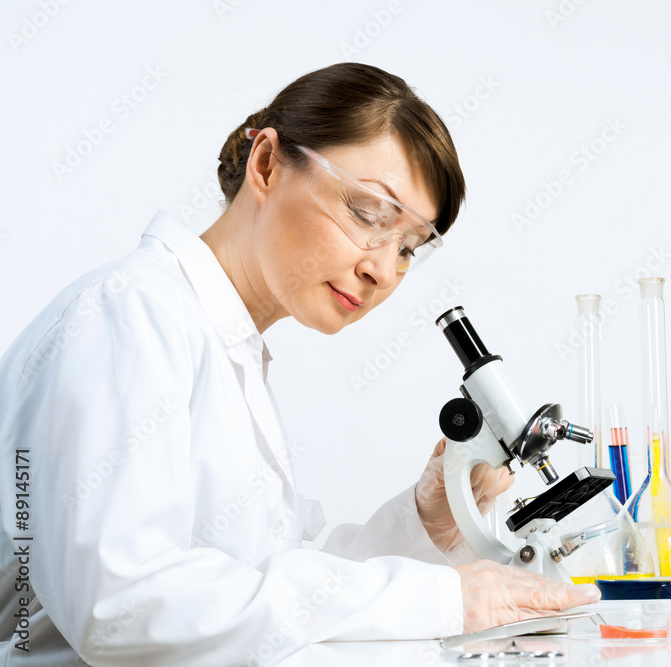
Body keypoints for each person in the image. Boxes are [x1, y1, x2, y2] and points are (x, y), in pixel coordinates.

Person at [0, 63, 599, 666]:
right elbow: (120, 607)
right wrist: (443, 601)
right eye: (369, 213)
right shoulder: (128, 316)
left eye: (409, 250)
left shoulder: (228, 348)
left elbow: (273, 595)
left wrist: (427, 521)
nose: (383, 271)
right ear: (266, 165)